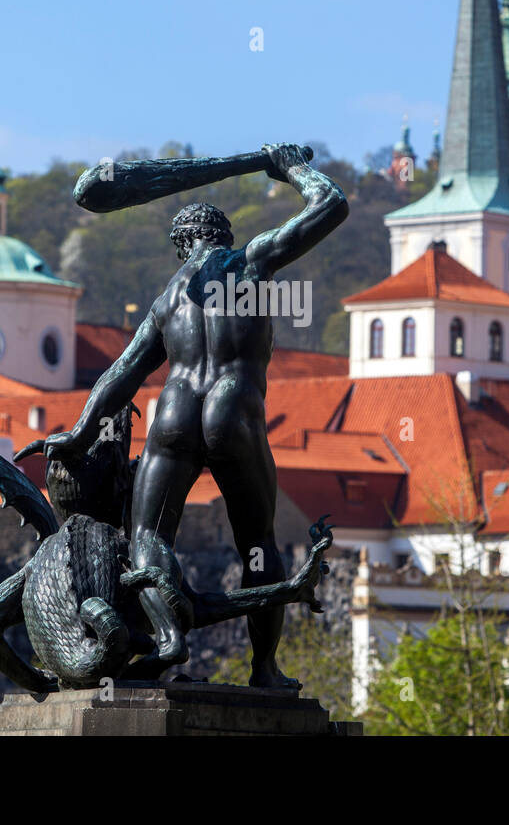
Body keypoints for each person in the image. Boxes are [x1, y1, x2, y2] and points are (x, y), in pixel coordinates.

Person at [20, 143, 347, 687]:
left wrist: (79, 434)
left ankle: (170, 637)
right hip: (233, 408)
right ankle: (264, 669)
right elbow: (330, 203)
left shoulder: (168, 300)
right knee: (258, 544)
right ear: (224, 236)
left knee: (147, 534)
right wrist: (292, 168)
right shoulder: (249, 262)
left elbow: (120, 375)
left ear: (180, 248)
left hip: (172, 412)